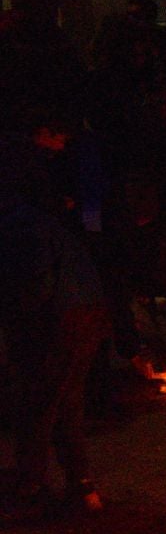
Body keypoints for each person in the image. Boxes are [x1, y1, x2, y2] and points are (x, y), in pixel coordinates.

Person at [1, 176, 111, 515]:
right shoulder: (40, 222)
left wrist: (18, 327)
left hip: (64, 319)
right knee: (66, 403)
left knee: (37, 405)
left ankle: (30, 489)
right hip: (86, 314)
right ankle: (82, 486)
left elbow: (35, 284)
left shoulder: (20, 226)